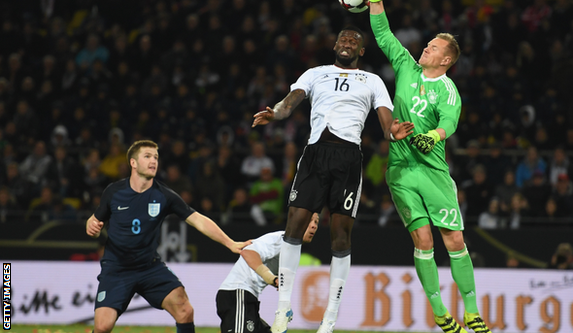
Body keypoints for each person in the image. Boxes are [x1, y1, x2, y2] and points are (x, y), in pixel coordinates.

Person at [252, 25, 414, 333]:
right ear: (334, 46)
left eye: (354, 40)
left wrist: (393, 132)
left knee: (340, 236)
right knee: (294, 227)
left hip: (348, 160)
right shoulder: (315, 73)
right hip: (314, 156)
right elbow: (290, 102)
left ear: (361, 51)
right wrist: (274, 112)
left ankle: (329, 318)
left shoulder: (373, 81)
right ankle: (283, 309)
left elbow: (385, 123)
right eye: (343, 38)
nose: (347, 42)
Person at [364, 0, 493, 332]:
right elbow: (383, 34)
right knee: (422, 240)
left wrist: (432, 137)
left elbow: (450, 122)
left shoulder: (448, 90)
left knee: (454, 240)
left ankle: (472, 311)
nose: (426, 49)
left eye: (434, 48)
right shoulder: (406, 67)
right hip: (401, 169)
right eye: (428, 45)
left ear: (446, 60)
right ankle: (439, 311)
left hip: (432, 170)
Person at [85, 140, 250, 333]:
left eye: (155, 157)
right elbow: (94, 218)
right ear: (133, 163)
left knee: (185, 310)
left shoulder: (164, 195)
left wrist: (230, 243)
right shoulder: (113, 192)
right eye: (147, 156)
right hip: (116, 269)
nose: (153, 161)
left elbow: (198, 220)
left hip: (149, 267)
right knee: (102, 327)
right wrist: (91, 224)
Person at [216, 213, 320, 333]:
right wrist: (272, 278)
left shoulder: (293, 249)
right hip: (237, 294)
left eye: (316, 222)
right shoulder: (282, 239)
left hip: (248, 299)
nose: (313, 226)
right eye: (309, 220)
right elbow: (248, 253)